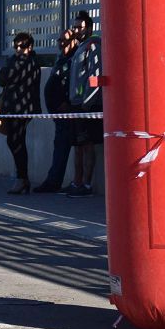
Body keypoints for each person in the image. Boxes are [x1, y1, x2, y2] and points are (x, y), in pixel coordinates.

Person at [33, 23, 80, 193]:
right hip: (58, 113)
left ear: (73, 41)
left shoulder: (75, 59)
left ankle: (59, 182)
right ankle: (54, 180)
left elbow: (75, 83)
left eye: (65, 40)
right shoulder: (61, 58)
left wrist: (67, 102)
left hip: (68, 111)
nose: (61, 43)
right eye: (59, 40)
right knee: (59, 145)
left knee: (66, 146)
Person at [0, 32, 42, 194]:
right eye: (15, 46)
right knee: (15, 141)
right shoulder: (20, 61)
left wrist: (9, 67)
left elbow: (3, 77)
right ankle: (22, 178)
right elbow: (1, 79)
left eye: (21, 46)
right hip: (16, 108)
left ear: (29, 47)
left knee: (15, 141)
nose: (17, 49)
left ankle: (22, 179)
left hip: (20, 108)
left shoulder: (26, 62)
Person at [66, 11, 103, 197]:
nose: (77, 30)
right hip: (76, 104)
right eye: (75, 27)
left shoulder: (94, 45)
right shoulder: (80, 47)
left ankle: (86, 185)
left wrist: (88, 101)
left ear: (89, 27)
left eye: (80, 27)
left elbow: (94, 75)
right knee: (77, 146)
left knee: (87, 145)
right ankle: (76, 181)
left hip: (87, 106)